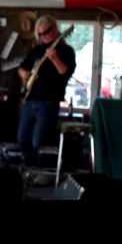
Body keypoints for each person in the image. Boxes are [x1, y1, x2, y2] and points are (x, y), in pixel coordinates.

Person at [18, 15, 76, 168]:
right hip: (30, 100)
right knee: (23, 139)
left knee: (39, 141)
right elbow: (23, 67)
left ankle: (41, 173)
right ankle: (30, 169)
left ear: (55, 29)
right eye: (40, 34)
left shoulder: (66, 51)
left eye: (46, 32)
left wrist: (55, 58)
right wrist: (24, 74)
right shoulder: (36, 50)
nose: (43, 37)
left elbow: (65, 73)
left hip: (49, 101)